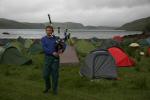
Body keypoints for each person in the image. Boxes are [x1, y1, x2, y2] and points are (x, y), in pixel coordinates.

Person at [41, 25, 65, 95]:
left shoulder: (56, 38)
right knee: (45, 75)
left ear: (52, 31)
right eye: (47, 30)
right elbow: (44, 49)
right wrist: (52, 52)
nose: (48, 32)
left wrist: (61, 50)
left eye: (50, 30)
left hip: (55, 59)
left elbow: (64, 45)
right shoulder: (43, 39)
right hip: (47, 58)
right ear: (46, 31)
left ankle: (54, 90)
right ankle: (48, 87)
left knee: (55, 75)